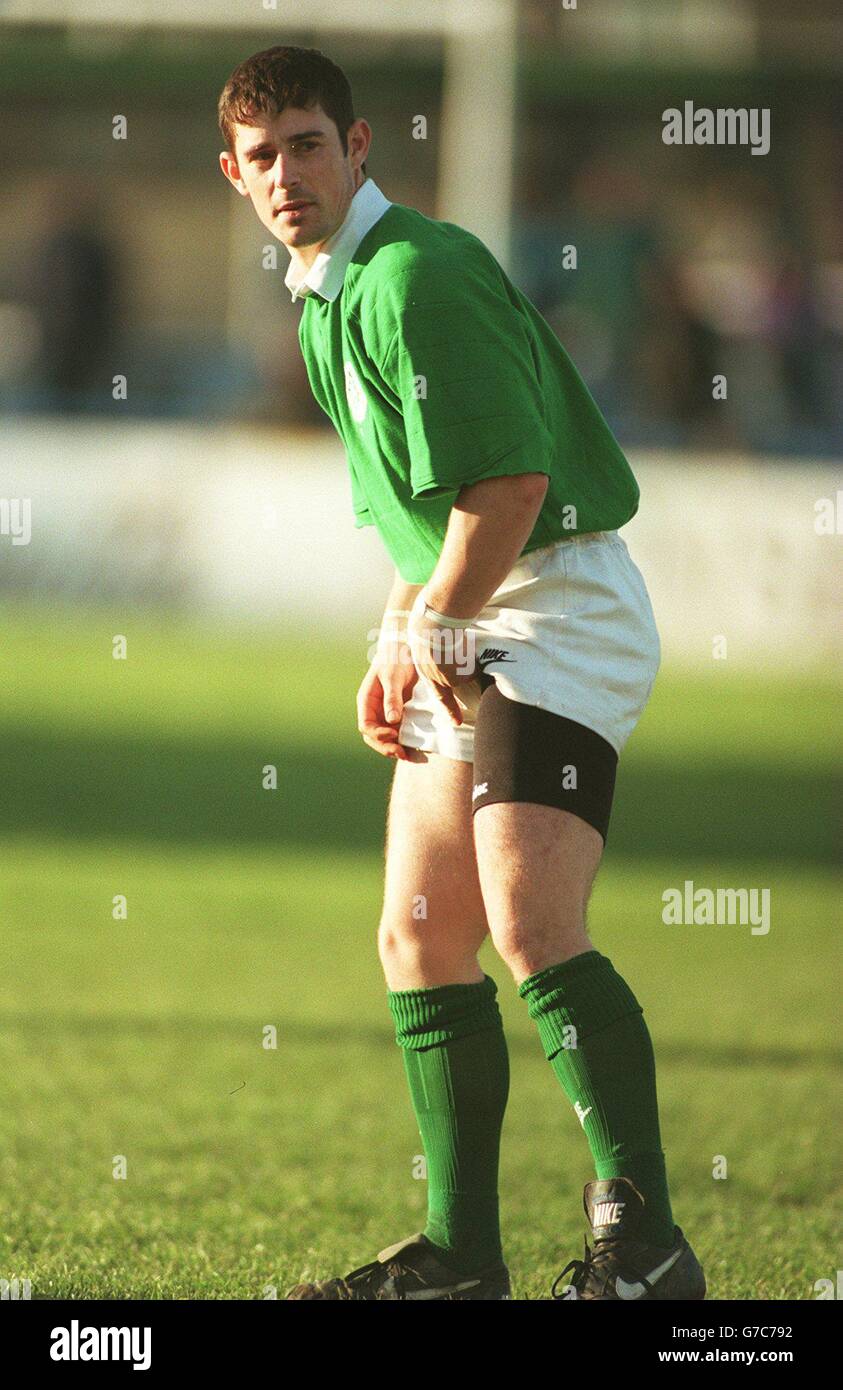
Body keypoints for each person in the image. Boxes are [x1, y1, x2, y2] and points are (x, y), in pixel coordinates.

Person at [218, 44, 706, 1302]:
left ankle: (646, 1246)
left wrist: (431, 621)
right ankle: (458, 1258)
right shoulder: (329, 293)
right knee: (422, 932)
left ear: (360, 144)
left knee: (531, 922)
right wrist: (401, 630)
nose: (287, 174)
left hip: (556, 605)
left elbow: (512, 489)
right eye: (262, 156)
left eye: (309, 144)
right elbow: (424, 515)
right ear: (233, 173)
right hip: (478, 598)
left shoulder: (413, 276)